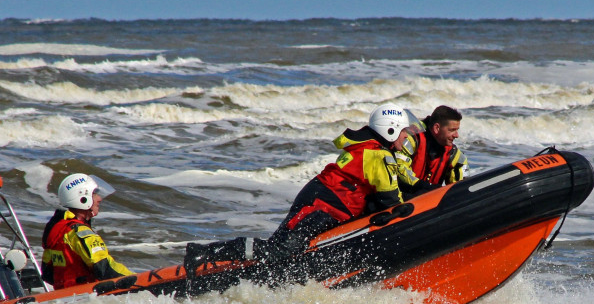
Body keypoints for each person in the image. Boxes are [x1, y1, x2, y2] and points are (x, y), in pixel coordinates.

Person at [183, 103, 411, 273]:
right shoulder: (379, 156)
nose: (406, 137)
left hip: (322, 198)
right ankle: (204, 253)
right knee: (279, 250)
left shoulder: (372, 151)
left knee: (283, 249)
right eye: (403, 132)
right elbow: (391, 201)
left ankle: (236, 265)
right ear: (390, 130)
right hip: (321, 205)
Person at [41, 173, 134, 290]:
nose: (99, 199)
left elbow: (47, 274)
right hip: (87, 295)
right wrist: (136, 278)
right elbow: (104, 268)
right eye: (94, 194)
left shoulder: (56, 230)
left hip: (66, 296)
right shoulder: (81, 232)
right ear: (82, 198)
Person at [395, 105, 468, 198]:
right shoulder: (411, 139)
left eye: (457, 130)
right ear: (436, 128)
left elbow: (461, 189)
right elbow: (400, 169)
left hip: (430, 203)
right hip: (402, 199)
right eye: (452, 130)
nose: (456, 135)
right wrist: (426, 187)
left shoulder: (453, 154)